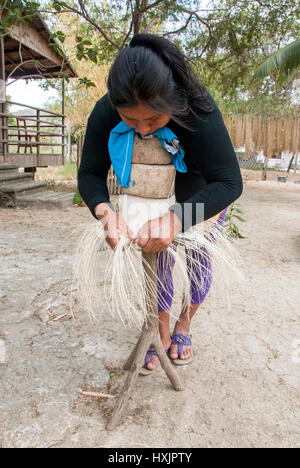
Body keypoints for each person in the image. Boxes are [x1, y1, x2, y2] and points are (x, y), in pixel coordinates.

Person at [78, 34, 243, 372]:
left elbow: (229, 182)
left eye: (153, 120)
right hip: (149, 198)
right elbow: (90, 175)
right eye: (130, 119)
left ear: (173, 101)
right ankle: (160, 330)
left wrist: (179, 218)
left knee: (198, 266)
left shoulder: (197, 109)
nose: (142, 129)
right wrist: (105, 212)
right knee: (159, 270)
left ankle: (184, 323)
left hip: (201, 199)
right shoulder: (106, 110)